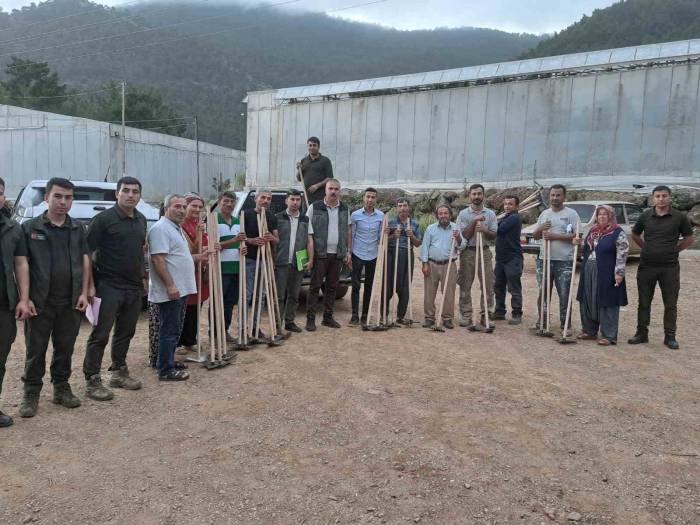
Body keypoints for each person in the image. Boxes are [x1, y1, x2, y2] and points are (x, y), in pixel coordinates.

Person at [19, 178, 91, 418]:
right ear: (46, 197)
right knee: (35, 349)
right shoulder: (30, 228)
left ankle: (61, 388)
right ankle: (31, 392)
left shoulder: (78, 228)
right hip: (40, 303)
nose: (63, 202)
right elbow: (22, 265)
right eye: (58, 196)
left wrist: (84, 292)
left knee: (65, 348)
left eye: (68, 197)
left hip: (69, 302)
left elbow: (85, 259)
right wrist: (25, 298)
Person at [82, 176, 146, 402]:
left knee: (125, 332)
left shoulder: (141, 220)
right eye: (126, 191)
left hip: (133, 286)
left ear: (139, 196)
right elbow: (86, 254)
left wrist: (143, 280)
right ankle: (92, 379)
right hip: (108, 286)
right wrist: (89, 286)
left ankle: (118, 371)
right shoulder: (103, 220)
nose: (130, 195)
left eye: (135, 191)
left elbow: (139, 252)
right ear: (116, 194)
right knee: (100, 334)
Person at [148, 194, 208, 381]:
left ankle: (167, 361)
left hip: (181, 289)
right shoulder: (160, 229)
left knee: (174, 329)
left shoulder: (176, 228)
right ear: (167, 208)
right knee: (169, 330)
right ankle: (165, 370)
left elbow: (181, 257)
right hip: (171, 290)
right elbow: (158, 259)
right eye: (177, 207)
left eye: (183, 206)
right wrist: (170, 285)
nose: (182, 210)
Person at [628, 185, 694, 349]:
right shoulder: (646, 216)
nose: (661, 199)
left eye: (664, 196)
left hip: (669, 267)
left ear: (669, 197)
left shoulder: (679, 217)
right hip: (647, 266)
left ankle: (670, 336)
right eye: (658, 196)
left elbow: (689, 238)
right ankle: (641, 333)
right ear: (653, 198)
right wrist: (646, 248)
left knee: (670, 304)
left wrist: (675, 249)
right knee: (644, 302)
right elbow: (635, 234)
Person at [0, 177, 35, 427]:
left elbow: (21, 263)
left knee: (0, 358)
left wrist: (23, 299)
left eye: (0, 193)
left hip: (3, 305)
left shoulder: (13, 228)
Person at [575, 205, 629, 345]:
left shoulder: (618, 232)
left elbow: (622, 254)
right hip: (589, 270)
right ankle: (589, 330)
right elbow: (586, 251)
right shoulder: (593, 231)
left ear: (611, 216)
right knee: (588, 298)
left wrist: (619, 273)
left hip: (607, 272)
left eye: (605, 214)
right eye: (599, 214)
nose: (602, 217)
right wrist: (578, 244)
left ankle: (609, 335)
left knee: (608, 301)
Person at [532, 184, 580, 332]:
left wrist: (555, 236)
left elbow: (576, 235)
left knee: (564, 293)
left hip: (564, 260)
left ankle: (565, 325)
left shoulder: (571, 214)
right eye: (552, 195)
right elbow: (535, 235)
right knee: (543, 292)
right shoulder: (544, 214)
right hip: (544, 259)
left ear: (564, 197)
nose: (554, 198)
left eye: (558, 195)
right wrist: (541, 228)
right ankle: (543, 322)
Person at [305, 179, 351, 331]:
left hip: (337, 255)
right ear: (325, 190)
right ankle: (310, 319)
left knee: (332, 287)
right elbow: (308, 231)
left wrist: (347, 251)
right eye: (330, 188)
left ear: (340, 191)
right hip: (320, 254)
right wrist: (310, 254)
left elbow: (347, 231)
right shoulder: (314, 207)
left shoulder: (344, 209)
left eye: (336, 189)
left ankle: (328, 317)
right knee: (314, 287)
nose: (333, 191)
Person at [456, 184, 497, 331]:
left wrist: (484, 229)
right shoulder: (463, 214)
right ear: (469, 196)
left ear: (483, 195)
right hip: (468, 252)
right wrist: (474, 222)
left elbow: (493, 235)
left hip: (485, 252)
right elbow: (464, 235)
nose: (477, 197)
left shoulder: (491, 214)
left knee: (487, 285)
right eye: (474, 194)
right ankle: (466, 315)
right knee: (465, 285)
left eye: (479, 194)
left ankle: (486, 314)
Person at [420, 205, 466, 329]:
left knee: (449, 293)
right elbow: (425, 247)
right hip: (432, 264)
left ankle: (447, 318)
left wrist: (458, 238)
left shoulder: (456, 228)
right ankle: (429, 318)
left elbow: (462, 247)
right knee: (429, 293)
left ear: (450, 215)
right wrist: (424, 264)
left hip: (449, 264)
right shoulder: (430, 228)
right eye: (440, 213)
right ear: (437, 215)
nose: (443, 215)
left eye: (446, 213)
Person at [244, 190, 280, 338]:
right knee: (246, 295)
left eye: (269, 199)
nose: (266, 201)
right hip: (249, 260)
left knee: (261, 296)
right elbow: (239, 237)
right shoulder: (246, 215)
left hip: (265, 260)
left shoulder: (271, 217)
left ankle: (255, 327)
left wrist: (271, 237)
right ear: (256, 199)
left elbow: (277, 240)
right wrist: (251, 240)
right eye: (263, 198)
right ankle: (242, 329)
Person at [275, 189, 311, 333]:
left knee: (294, 294)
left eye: (298, 200)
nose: (295, 202)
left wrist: (310, 259)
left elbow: (309, 241)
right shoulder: (278, 217)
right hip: (281, 261)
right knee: (279, 295)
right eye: (292, 199)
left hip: (299, 262)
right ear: (286, 201)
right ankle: (277, 323)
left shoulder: (305, 219)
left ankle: (289, 322)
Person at [177, 194, 210, 352]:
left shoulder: (200, 224)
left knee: (196, 307)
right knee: (183, 307)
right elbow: (186, 250)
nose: (197, 209)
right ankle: (177, 342)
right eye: (193, 206)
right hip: (184, 273)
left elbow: (205, 244)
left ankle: (189, 340)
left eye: (199, 206)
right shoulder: (180, 225)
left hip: (199, 272)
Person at [348, 188, 384, 326]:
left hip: (373, 254)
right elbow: (352, 234)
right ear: (363, 198)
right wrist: (349, 253)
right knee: (356, 285)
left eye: (373, 197)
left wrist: (386, 233)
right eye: (368, 197)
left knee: (369, 286)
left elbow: (380, 237)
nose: (370, 200)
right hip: (358, 253)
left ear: (376, 199)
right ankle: (354, 315)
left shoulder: (381, 216)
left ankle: (364, 315)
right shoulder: (355, 215)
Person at [216, 192, 246, 341]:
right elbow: (213, 246)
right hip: (220, 269)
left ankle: (225, 331)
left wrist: (242, 248)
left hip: (236, 268)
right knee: (218, 303)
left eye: (232, 201)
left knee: (229, 302)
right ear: (219, 202)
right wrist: (233, 240)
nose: (229, 204)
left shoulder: (237, 221)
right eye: (225, 201)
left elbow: (240, 244)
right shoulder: (213, 220)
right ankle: (215, 333)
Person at [385, 199, 421, 324]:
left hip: (407, 254)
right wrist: (393, 236)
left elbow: (417, 244)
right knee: (388, 285)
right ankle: (384, 315)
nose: (402, 208)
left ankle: (400, 316)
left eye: (404, 205)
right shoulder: (390, 222)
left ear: (408, 207)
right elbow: (383, 241)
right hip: (391, 254)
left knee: (405, 286)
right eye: (400, 206)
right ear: (397, 208)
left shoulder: (414, 224)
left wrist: (412, 236)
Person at [494, 195, 523, 325]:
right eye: (505, 204)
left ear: (516, 206)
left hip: (513, 258)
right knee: (498, 286)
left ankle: (517, 313)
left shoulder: (515, 218)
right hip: (500, 258)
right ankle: (499, 312)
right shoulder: (505, 217)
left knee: (514, 287)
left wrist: (491, 223)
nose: (507, 206)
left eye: (510, 204)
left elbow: (500, 230)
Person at [296, 136, 334, 205]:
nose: (312, 147)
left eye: (314, 145)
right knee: (306, 216)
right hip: (307, 198)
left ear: (318, 147)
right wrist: (299, 169)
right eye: (310, 145)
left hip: (321, 198)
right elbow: (299, 178)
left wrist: (317, 186)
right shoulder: (304, 160)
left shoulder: (325, 160)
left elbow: (330, 178)